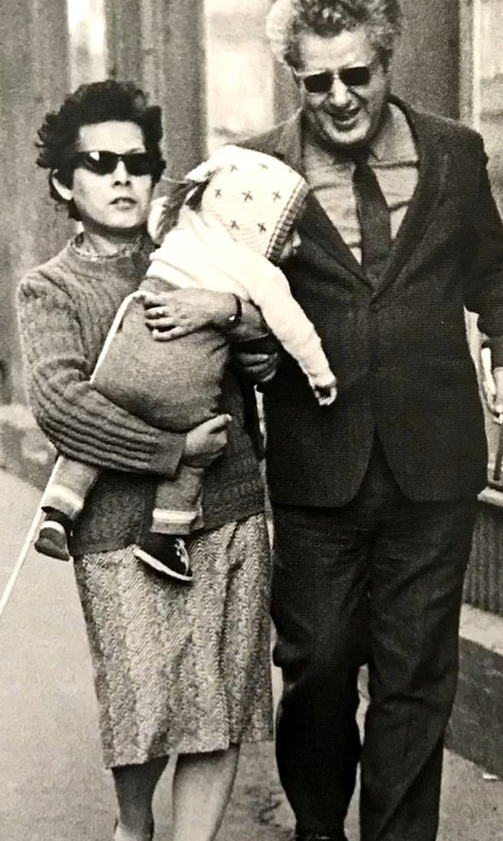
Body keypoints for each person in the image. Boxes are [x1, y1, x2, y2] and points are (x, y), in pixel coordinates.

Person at [243, 0, 503, 841]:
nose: (338, 98)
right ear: (295, 77)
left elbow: (500, 273)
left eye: (356, 76)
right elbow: (214, 290)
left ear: (387, 59)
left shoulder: (456, 154)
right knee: (321, 659)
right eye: (315, 81)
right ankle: (321, 810)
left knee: (418, 664)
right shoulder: (258, 172)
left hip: (435, 458)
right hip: (315, 463)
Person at [16, 79, 276, 841]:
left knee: (220, 699)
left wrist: (235, 310)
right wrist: (167, 452)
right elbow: (62, 406)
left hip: (230, 505)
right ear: (65, 182)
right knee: (144, 700)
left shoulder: (201, 251)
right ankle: (133, 831)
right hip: (116, 529)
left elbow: (264, 370)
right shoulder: (49, 289)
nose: (124, 178)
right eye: (100, 163)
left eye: (139, 163)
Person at [35, 144, 337, 583]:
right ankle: (166, 535)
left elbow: (158, 213)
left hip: (127, 355)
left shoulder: (184, 225)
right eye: (287, 231)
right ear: (260, 228)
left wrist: (200, 189)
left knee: (109, 407)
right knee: (197, 445)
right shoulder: (260, 270)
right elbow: (294, 330)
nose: (295, 244)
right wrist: (320, 374)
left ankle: (58, 509)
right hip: (184, 382)